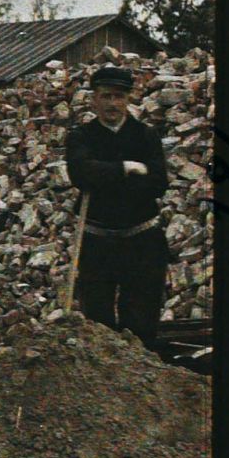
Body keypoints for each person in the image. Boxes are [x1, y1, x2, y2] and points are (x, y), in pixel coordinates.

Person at [63, 64, 170, 346]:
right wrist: (126, 168)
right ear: (94, 99)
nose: (113, 103)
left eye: (119, 97)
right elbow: (80, 173)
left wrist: (103, 176)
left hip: (142, 240)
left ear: (128, 99)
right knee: (98, 324)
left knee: (141, 322)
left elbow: (158, 182)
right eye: (106, 96)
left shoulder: (145, 136)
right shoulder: (81, 136)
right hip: (98, 242)